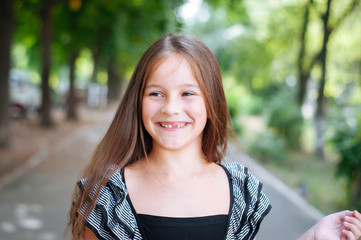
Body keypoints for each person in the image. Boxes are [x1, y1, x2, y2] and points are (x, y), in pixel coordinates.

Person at [68, 33, 361, 240]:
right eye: (156, 93)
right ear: (138, 101)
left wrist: (312, 237)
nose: (171, 108)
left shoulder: (240, 190)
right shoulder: (106, 197)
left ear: (212, 102)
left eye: (188, 94)